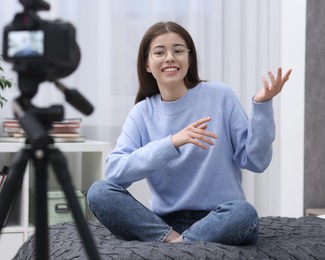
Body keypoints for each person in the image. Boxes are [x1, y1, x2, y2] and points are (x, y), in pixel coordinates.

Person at [87, 21, 292, 245]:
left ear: (189, 59)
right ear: (147, 63)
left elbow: (256, 161)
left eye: (178, 50)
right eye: (159, 52)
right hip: (165, 224)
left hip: (221, 218)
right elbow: (115, 173)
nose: (170, 57)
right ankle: (180, 243)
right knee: (98, 191)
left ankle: (176, 246)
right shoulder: (142, 113)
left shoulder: (220, 96)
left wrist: (262, 105)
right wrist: (172, 143)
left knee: (244, 212)